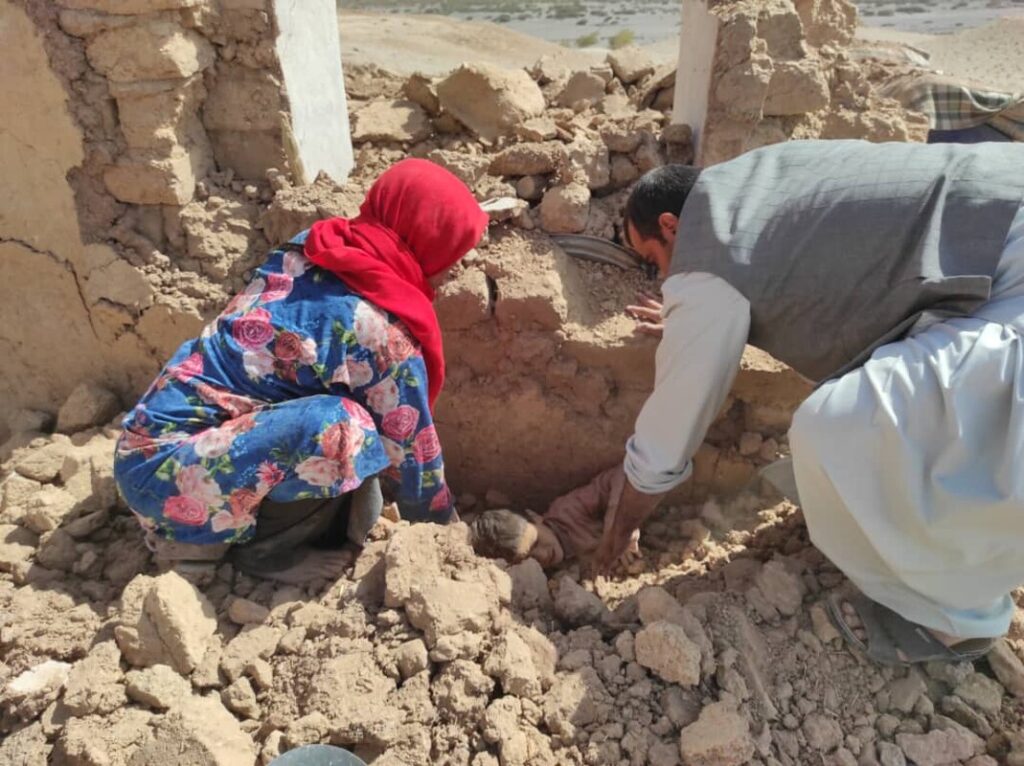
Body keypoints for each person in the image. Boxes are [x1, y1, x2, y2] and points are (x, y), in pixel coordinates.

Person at [575, 139, 1024, 665]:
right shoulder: (755, 178)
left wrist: (622, 526)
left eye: (655, 261)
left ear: (671, 226)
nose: (666, 279)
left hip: (1009, 283)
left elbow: (670, 431)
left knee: (836, 426)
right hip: (998, 219)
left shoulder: (707, 255)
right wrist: (689, 314)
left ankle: (955, 620)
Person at [113, 159, 488, 582]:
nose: (457, 268)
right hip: (172, 485)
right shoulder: (379, 335)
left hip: (143, 447)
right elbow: (414, 455)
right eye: (453, 251)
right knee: (343, 429)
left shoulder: (315, 244)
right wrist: (446, 536)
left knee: (345, 427)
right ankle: (263, 552)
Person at [470, 467, 639, 569]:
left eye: (536, 542)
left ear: (536, 517)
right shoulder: (548, 578)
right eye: (529, 560)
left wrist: (618, 528)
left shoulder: (568, 511)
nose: (543, 555)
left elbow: (622, 473)